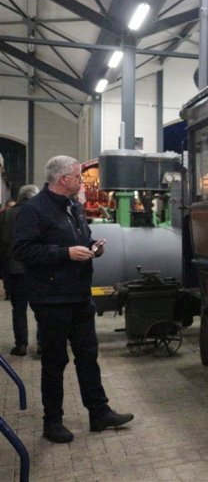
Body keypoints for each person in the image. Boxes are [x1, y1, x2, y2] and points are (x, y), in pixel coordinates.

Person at [13, 155, 133, 444]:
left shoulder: (73, 207)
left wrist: (93, 247)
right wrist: (65, 253)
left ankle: (99, 412)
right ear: (63, 179)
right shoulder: (34, 210)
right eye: (78, 177)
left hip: (79, 295)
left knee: (88, 355)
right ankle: (52, 421)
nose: (82, 182)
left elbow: (83, 237)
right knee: (55, 360)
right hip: (51, 298)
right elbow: (23, 250)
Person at [0, 185, 39, 355]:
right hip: (39, 269)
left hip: (15, 270)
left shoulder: (7, 215)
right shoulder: (40, 212)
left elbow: (1, 244)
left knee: (19, 309)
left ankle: (21, 344)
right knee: (42, 308)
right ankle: (43, 344)